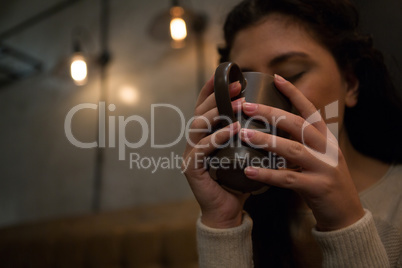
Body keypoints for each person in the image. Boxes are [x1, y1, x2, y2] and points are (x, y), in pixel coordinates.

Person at [182, 0, 402, 267]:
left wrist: (345, 224)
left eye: (291, 74)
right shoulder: (248, 210)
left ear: (351, 84)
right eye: (245, 85)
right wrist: (223, 224)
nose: (262, 104)